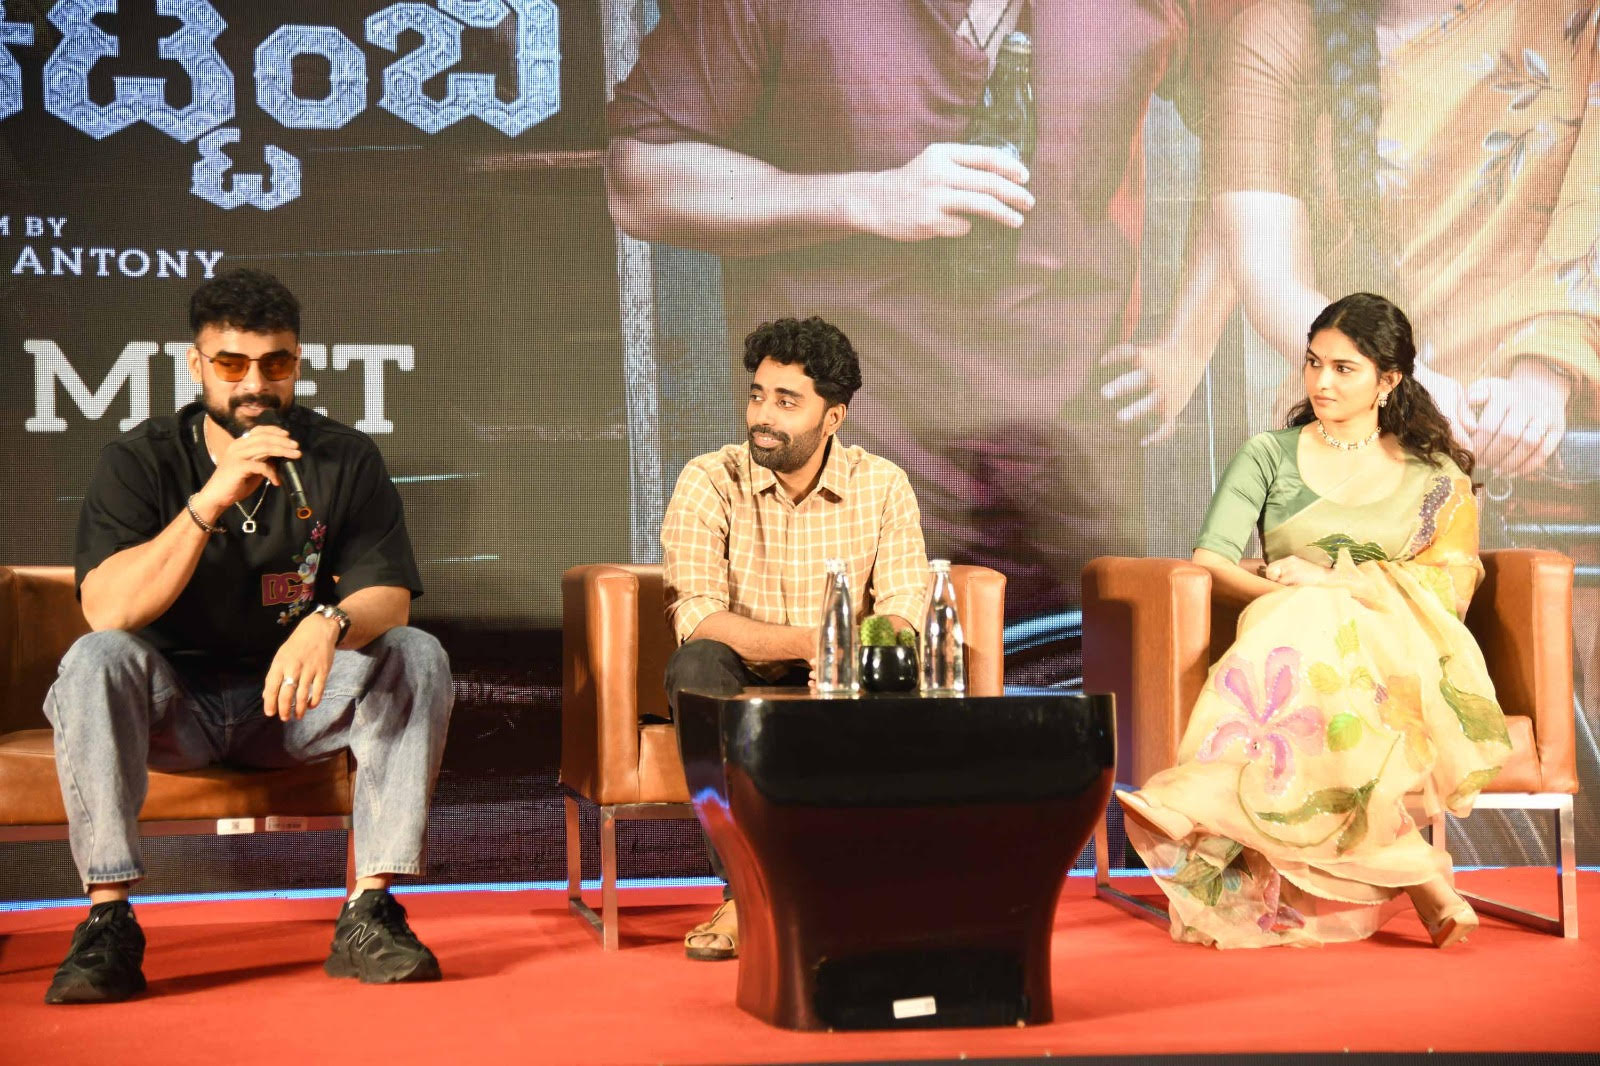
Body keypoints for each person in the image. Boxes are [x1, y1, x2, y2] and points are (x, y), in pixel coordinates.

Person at [607, 0, 1244, 622]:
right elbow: (640, 175)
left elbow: (1252, 134)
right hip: (852, 476)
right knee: (860, 688)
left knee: (1075, 689)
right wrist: (864, 198)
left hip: (1070, 482)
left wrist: (1189, 342)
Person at [41, 269, 454, 1003]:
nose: (255, 384)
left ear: (297, 362)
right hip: (173, 710)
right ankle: (109, 922)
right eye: (232, 364)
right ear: (196, 364)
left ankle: (370, 912)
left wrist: (329, 622)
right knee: (95, 658)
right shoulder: (140, 460)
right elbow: (107, 610)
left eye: (276, 363)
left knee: (415, 654)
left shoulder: (343, 456)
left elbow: (388, 597)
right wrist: (211, 498)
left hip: (290, 705)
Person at [1118, 292, 1511, 948]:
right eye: (1312, 362)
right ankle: (1422, 877)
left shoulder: (1434, 475)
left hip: (1400, 643)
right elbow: (1210, 560)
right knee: (1304, 621)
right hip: (1288, 638)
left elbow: (1451, 590)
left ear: (1389, 380)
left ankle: (1197, 800)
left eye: (1343, 368)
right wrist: (1291, 597)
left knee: (1316, 613)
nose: (1321, 381)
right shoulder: (1268, 454)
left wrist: (1334, 585)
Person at [1195, 0, 1596, 476]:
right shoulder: (1279, 33)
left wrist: (1543, 380)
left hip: (1550, 440)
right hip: (1360, 436)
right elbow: (1270, 280)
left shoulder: (1573, 13)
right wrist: (1399, 381)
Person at [660, 315, 929, 960]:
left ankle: (876, 894)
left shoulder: (882, 484)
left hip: (841, 670)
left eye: (786, 402)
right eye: (758, 395)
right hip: (742, 665)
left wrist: (855, 653)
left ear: (832, 417)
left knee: (896, 664)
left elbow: (902, 607)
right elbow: (697, 615)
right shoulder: (709, 478)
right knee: (695, 666)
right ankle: (742, 894)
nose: (763, 416)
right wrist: (815, 643)